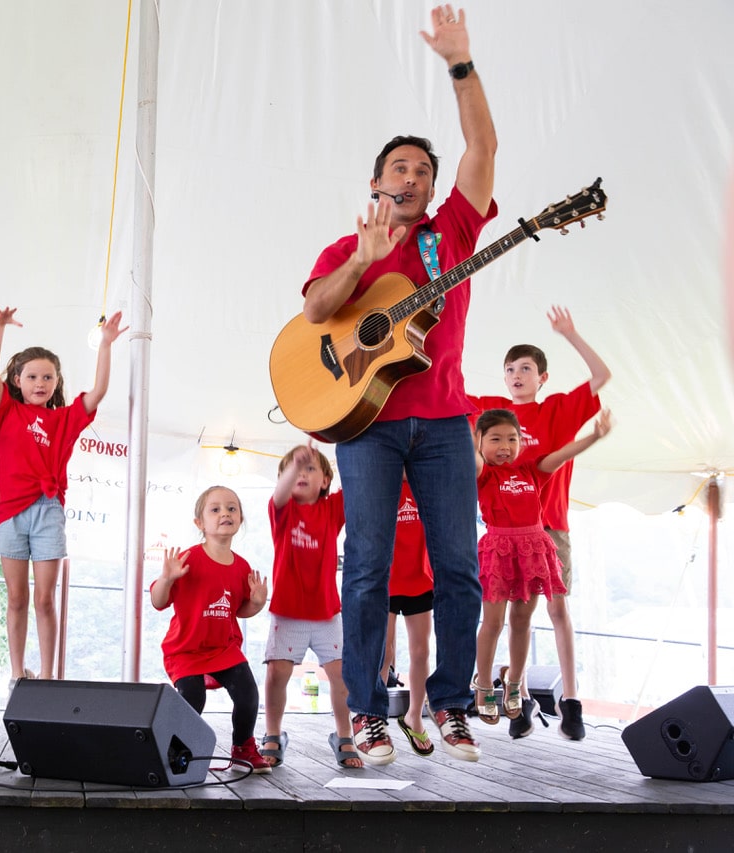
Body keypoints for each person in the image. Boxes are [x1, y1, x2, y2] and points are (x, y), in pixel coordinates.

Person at [300, 5, 497, 763]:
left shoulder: (453, 234)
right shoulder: (346, 246)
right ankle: (368, 711)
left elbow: (483, 147)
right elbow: (316, 311)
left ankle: (450, 703)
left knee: (459, 567)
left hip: (445, 421)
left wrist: (460, 64)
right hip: (367, 424)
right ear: (377, 182)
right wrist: (362, 259)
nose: (412, 177)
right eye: (400, 169)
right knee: (368, 567)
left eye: (423, 170)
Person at [468, 305, 610, 740]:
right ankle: (516, 694)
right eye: (510, 369)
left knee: (553, 609)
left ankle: (571, 700)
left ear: (542, 377)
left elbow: (601, 376)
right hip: (504, 532)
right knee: (503, 617)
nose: (516, 375)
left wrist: (570, 333)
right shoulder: (489, 411)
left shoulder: (556, 410)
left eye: (526, 368)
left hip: (549, 528)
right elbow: (446, 396)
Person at [0, 306, 125, 685]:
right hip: (11, 514)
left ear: (57, 381)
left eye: (47, 377)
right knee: (16, 598)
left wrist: (106, 344)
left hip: (48, 512)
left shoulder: (64, 419)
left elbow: (98, 391)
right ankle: (17, 673)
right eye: (31, 376)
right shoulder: (6, 412)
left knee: (44, 599)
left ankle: (47, 675)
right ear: (18, 380)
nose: (40, 383)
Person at [150, 486, 270, 773]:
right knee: (193, 699)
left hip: (224, 648)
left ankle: (243, 748)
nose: (224, 513)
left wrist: (257, 603)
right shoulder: (187, 559)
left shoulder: (242, 567)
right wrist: (167, 579)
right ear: (200, 523)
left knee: (248, 695)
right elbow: (158, 601)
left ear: (240, 519)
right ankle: (177, 753)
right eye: (215, 509)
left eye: (231, 508)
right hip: (186, 649)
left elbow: (239, 610)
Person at [260, 446, 360, 769]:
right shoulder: (282, 510)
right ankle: (273, 733)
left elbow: (354, 483)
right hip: (288, 610)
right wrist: (296, 466)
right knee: (277, 672)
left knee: (340, 675)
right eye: (292, 469)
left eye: (310, 469)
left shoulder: (331, 510)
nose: (301, 474)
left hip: (327, 611)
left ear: (325, 481)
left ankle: (344, 735)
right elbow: (279, 494)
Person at [384, 480, 436, 758]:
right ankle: (375, 717)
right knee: (384, 653)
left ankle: (414, 715)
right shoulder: (383, 481)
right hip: (387, 578)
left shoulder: (426, 482)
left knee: (421, 651)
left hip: (420, 577)